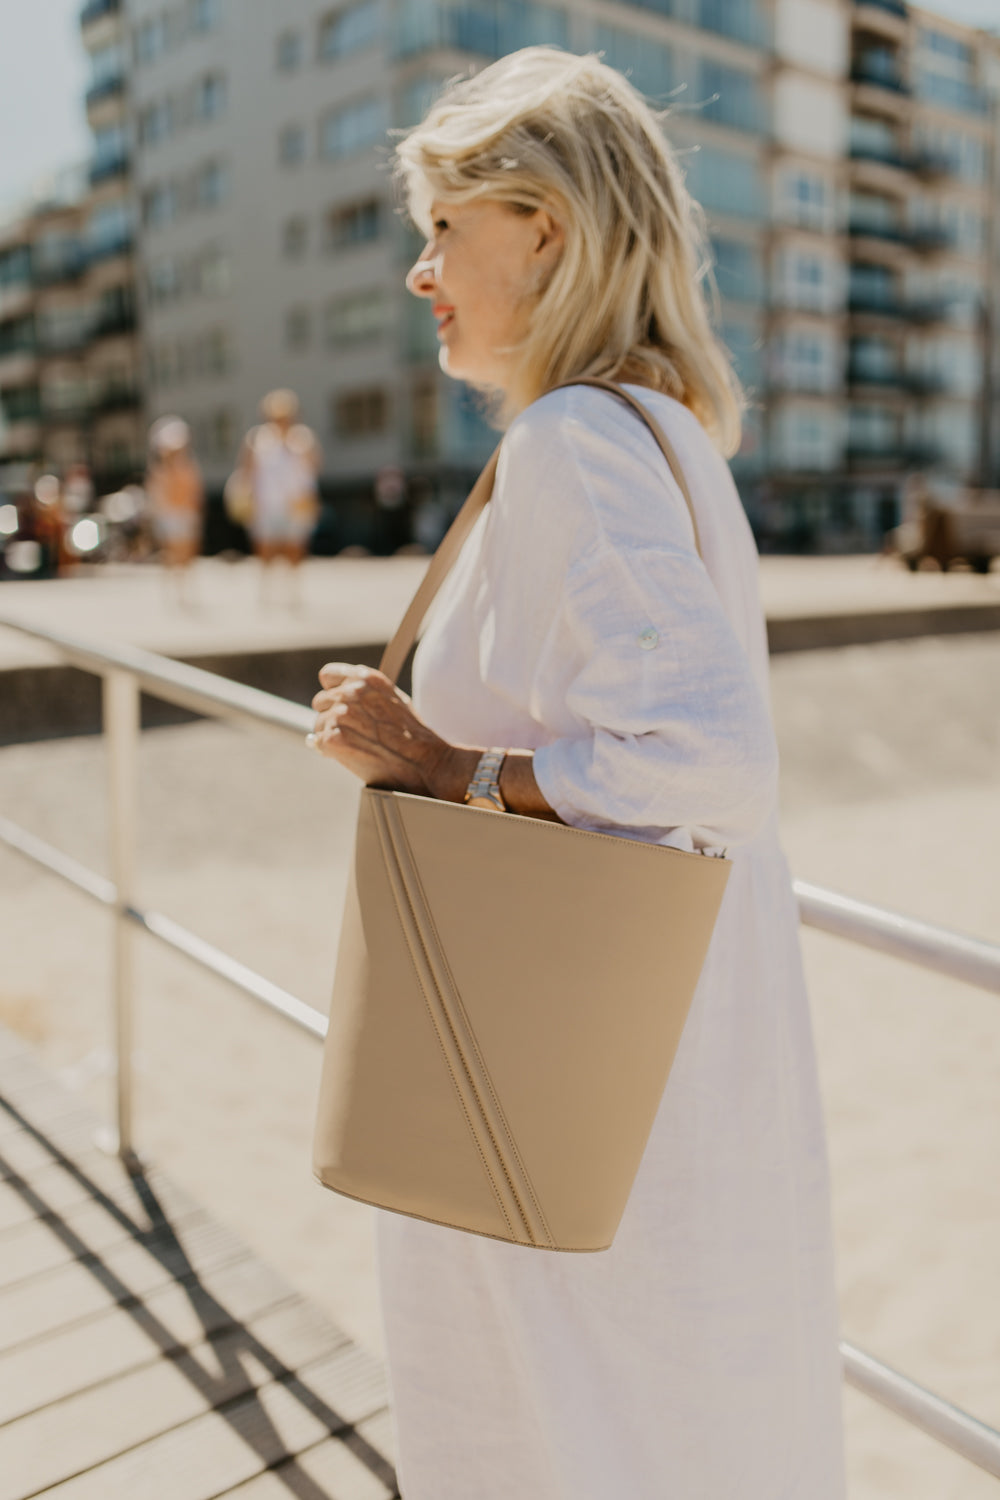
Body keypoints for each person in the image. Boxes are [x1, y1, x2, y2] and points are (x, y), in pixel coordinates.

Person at [309, 49, 845, 1500]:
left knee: (563, 1434)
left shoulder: (571, 443)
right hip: (659, 1061)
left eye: (444, 230)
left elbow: (700, 756)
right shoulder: (664, 437)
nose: (424, 272)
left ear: (542, 227)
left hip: (555, 1081)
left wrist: (436, 760)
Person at [235, 389, 321, 606]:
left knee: (294, 550)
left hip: (296, 505)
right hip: (267, 506)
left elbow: (313, 469)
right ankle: (266, 593)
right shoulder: (257, 439)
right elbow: (247, 472)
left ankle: (293, 592)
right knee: (266, 549)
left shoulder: (302, 439)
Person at [146, 416, 204, 605]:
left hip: (184, 514)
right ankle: (173, 591)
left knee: (185, 554)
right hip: (169, 515)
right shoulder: (160, 469)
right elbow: (156, 493)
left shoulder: (187, 466)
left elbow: (194, 491)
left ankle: (184, 590)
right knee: (171, 553)